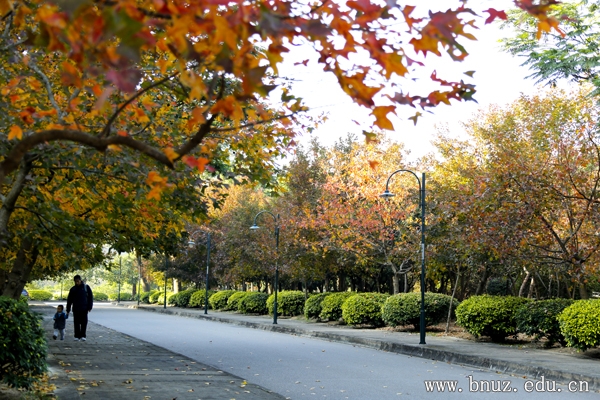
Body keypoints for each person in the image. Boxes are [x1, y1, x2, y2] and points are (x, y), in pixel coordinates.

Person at [66, 275, 93, 342]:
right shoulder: (73, 289)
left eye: (78, 281)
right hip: (76, 308)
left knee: (84, 322)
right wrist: (68, 309)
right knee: (76, 322)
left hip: (84, 308)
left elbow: (90, 297)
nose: (77, 283)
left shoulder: (86, 287)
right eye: (75, 281)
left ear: (80, 280)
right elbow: (69, 300)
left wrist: (90, 306)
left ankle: (83, 335)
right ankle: (77, 335)